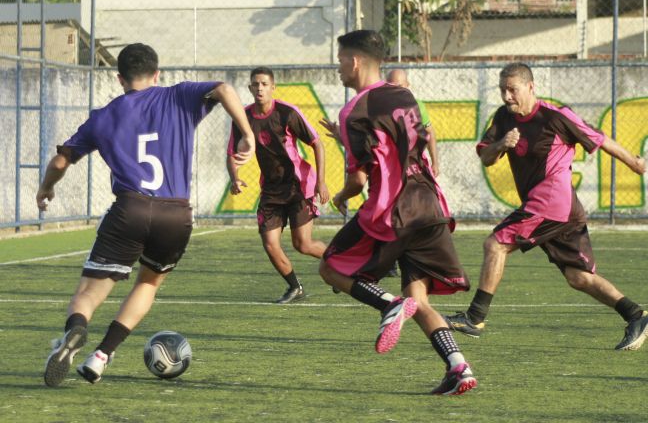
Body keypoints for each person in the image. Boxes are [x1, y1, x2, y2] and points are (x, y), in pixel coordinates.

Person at [38, 43, 255, 387]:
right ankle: (101, 356)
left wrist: (46, 188)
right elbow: (224, 89)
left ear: (120, 78)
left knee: (89, 293)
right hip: (176, 214)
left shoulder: (104, 116)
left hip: (130, 209)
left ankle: (75, 331)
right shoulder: (178, 96)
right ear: (157, 74)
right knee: (149, 282)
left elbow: (62, 160)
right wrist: (247, 134)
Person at [445, 62, 648, 351]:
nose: (506, 96)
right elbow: (487, 157)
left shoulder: (555, 116)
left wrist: (636, 163)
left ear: (530, 87)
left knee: (495, 244)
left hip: (552, 202)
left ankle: (474, 318)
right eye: (503, 90)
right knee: (578, 277)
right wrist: (502, 144)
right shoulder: (504, 118)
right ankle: (636, 316)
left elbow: (600, 140)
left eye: (512, 90)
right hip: (559, 210)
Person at [318, 30, 476, 396]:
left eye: (340, 60)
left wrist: (341, 196)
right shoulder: (404, 95)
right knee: (419, 301)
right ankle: (459, 367)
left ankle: (389, 304)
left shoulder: (352, 110)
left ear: (354, 61)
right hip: (430, 205)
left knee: (330, 267)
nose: (338, 67)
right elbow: (399, 144)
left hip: (395, 210)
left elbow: (359, 180)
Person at [227, 66, 330, 304]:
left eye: (264, 84)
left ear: (273, 87)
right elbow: (232, 153)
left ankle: (340, 267)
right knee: (270, 243)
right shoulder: (243, 118)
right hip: (272, 190)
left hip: (298, 186)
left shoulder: (286, 113)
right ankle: (295, 287)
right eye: (255, 84)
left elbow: (317, 144)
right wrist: (235, 177)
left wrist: (321, 182)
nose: (260, 88)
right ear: (250, 87)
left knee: (302, 244)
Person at [385, 68, 440, 177]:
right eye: (392, 87)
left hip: (414, 166)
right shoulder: (382, 108)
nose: (396, 91)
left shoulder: (417, 106)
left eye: (400, 86)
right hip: (390, 168)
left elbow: (430, 133)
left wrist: (435, 163)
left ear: (407, 85)